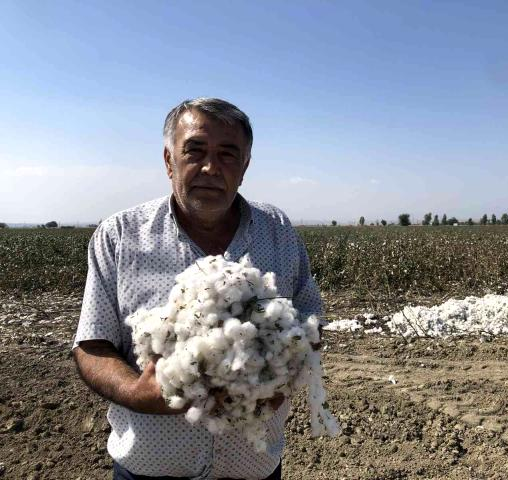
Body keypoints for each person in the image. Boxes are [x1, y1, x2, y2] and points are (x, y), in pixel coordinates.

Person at [73, 98, 323, 480]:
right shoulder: (120, 236)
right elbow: (92, 346)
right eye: (195, 150)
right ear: (169, 160)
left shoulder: (279, 232)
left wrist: (283, 376)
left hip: (253, 470)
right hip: (148, 472)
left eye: (227, 154)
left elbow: (311, 322)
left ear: (245, 167)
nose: (210, 167)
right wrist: (135, 394)